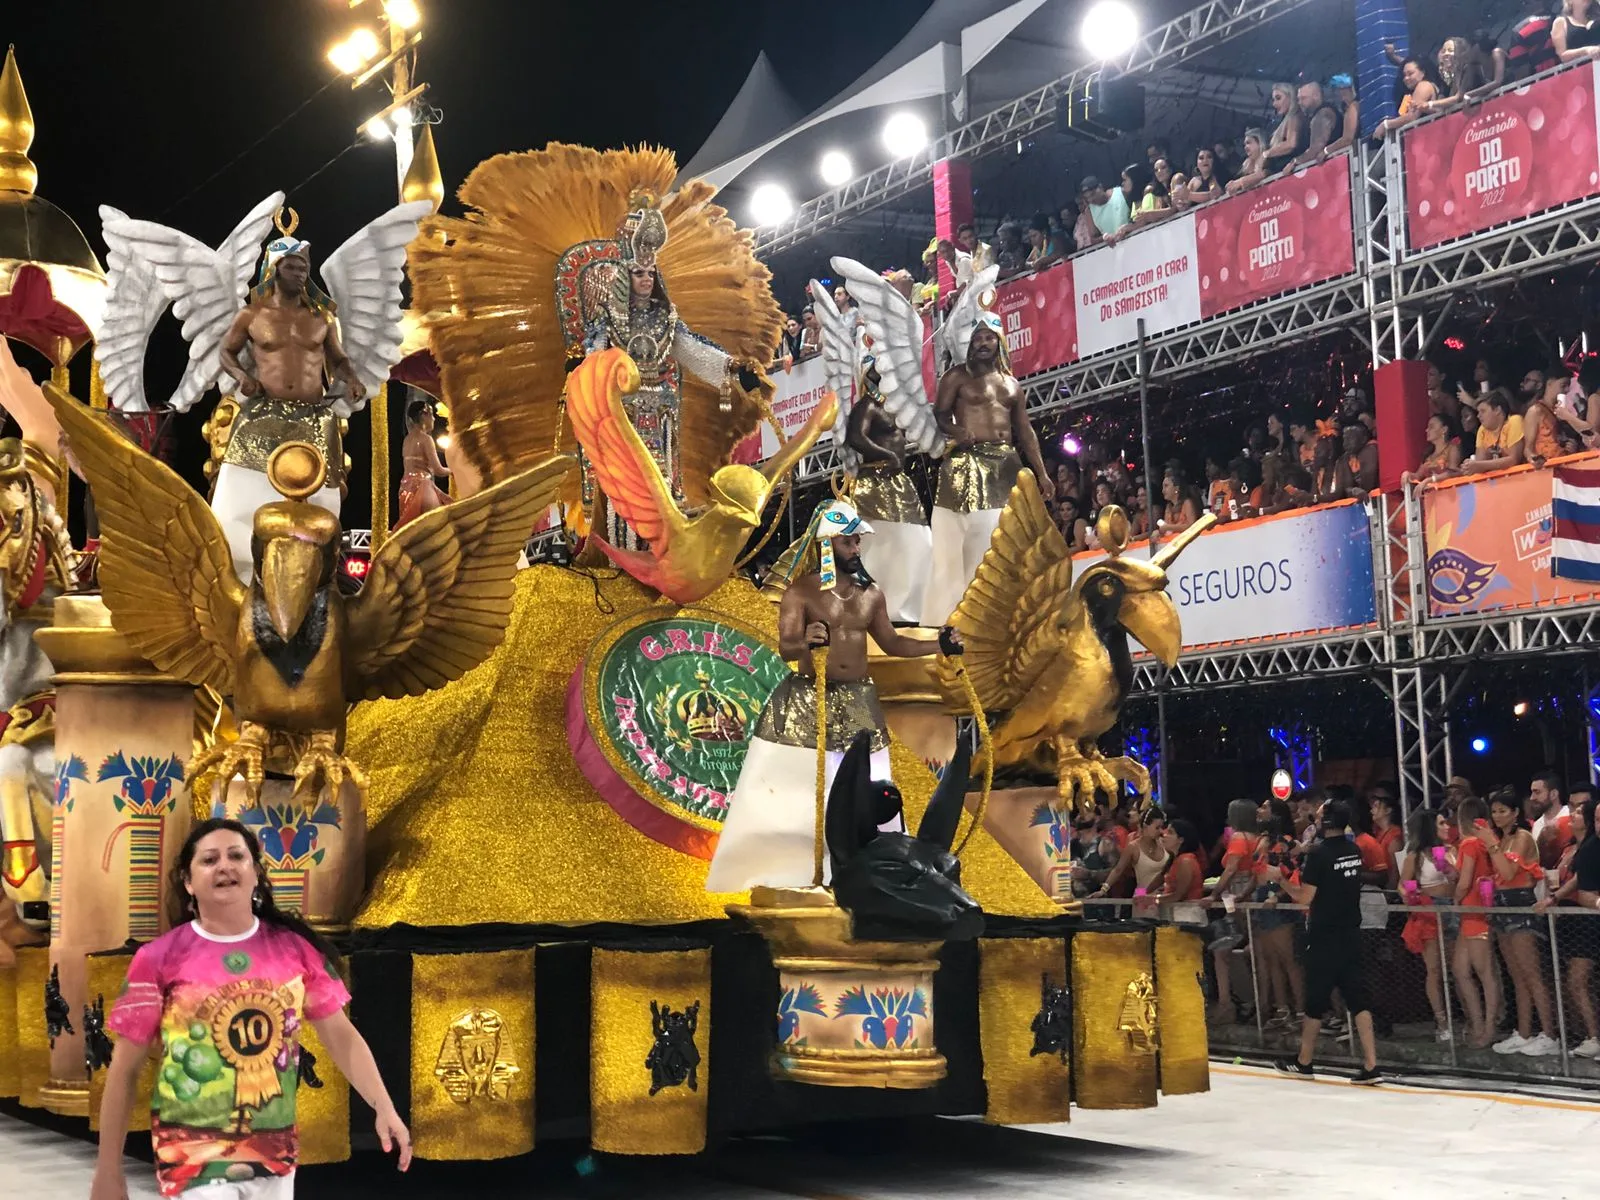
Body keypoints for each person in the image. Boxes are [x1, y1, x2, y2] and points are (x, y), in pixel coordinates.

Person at [94, 819, 411, 1199]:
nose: (224, 866)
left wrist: (384, 1107)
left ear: (256, 873)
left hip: (274, 1156)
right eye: (209, 860)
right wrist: (108, 1171)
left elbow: (342, 1037)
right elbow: (124, 1071)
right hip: (191, 1159)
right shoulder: (158, 959)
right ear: (189, 882)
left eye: (236, 856)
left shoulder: (294, 950)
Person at [707, 503, 956, 891]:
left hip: (859, 699)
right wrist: (804, 640)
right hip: (809, 697)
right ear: (827, 544)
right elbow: (786, 648)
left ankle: (879, 865)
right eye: (848, 540)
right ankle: (795, 867)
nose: (856, 547)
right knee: (801, 785)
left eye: (858, 540)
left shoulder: (871, 594)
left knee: (872, 783)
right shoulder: (801, 592)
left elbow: (891, 643)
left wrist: (938, 644)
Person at [921, 315, 1053, 627]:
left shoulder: (1011, 384)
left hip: (1006, 463)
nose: (983, 343)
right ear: (969, 343)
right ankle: (968, 610)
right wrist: (955, 430)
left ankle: (1008, 607)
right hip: (969, 462)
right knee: (977, 535)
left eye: (989, 338)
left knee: (1011, 534)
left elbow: (1026, 431)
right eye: (978, 338)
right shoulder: (956, 377)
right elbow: (938, 415)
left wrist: (1042, 473)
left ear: (999, 342)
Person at [1269, 801, 1382, 1083]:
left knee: (1315, 999)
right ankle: (1371, 1064)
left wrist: (1280, 880)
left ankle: (1304, 1061)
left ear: (1326, 822)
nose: (1315, 820)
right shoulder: (1353, 850)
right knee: (1359, 998)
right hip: (1351, 931)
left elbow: (1305, 897)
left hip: (1324, 934)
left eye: (1319, 816)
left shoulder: (1320, 855)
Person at [1478, 787, 1560, 1056]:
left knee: (1532, 973)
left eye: (1503, 811)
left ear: (1515, 814)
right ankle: (1523, 1033)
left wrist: (1490, 843)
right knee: (1516, 976)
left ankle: (1549, 1034)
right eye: (1494, 811)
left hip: (1520, 904)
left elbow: (1510, 870)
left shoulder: (1523, 837)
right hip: (1501, 905)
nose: (1497, 816)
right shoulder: (1500, 841)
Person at [1536, 794, 1600, 1057]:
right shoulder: (1587, 847)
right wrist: (1555, 897)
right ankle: (1592, 1035)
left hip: (1586, 921)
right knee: (1575, 981)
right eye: (1597, 819)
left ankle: (1593, 1035)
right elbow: (1581, 885)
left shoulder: (1589, 847)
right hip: (1584, 921)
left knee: (1578, 981)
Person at [1400, 807, 1458, 1042]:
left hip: (1455, 908)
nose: (1447, 827)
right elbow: (1403, 884)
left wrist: (1448, 869)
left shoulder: (1452, 850)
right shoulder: (1415, 855)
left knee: (1459, 969)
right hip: (1429, 909)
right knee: (1434, 970)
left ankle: (1464, 1018)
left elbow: (1460, 879)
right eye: (1441, 823)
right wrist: (1409, 895)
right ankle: (1442, 1022)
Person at [1205, 799, 1262, 1026]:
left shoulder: (1239, 838)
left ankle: (1232, 1002)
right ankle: (1243, 1001)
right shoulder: (1258, 839)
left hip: (1237, 893)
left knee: (1225, 949)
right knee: (1241, 948)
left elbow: (1230, 869)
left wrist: (1214, 894)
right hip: (1248, 892)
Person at [1451, 796, 1503, 1048]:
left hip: (1474, 913)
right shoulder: (1482, 843)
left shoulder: (1470, 843)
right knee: (1461, 970)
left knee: (1484, 973)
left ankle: (1488, 1026)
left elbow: (1465, 880)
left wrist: (1455, 898)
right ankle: (1478, 1022)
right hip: (1472, 914)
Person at [1253, 798, 1307, 1029]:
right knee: (1272, 959)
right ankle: (1283, 1009)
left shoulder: (1285, 843)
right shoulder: (1263, 841)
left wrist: (1277, 896)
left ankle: (1302, 1011)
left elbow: (1293, 875)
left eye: (1265, 807)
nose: (1259, 810)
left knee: (1289, 960)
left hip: (1279, 901)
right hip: (1263, 899)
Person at [1092, 805, 1172, 900]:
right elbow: (1118, 870)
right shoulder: (1133, 847)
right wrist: (1103, 890)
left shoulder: (1164, 844)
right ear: (1146, 826)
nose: (1161, 831)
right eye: (1157, 827)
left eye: (1162, 827)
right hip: (1142, 897)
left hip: (1165, 898)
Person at [396, 399, 452, 529]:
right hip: (422, 488)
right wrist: (453, 470)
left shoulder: (407, 439)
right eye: (431, 414)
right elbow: (438, 470)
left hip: (405, 489)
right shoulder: (426, 439)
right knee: (434, 530)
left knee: (410, 532)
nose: (433, 419)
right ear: (423, 415)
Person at [1373, 57, 1439, 138]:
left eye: (1410, 73)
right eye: (1404, 75)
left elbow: (1412, 116)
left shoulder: (1424, 85)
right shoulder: (1415, 90)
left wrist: (1386, 124)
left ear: (1422, 72)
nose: (1406, 78)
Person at [1463, 389, 1526, 472]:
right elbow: (1480, 463)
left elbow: (1513, 460)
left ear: (1497, 410)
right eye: (1478, 412)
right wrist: (1470, 465)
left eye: (1483, 411)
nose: (1478, 416)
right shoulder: (1482, 430)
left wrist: (1477, 465)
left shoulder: (1514, 421)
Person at [1290, 81, 1340, 169]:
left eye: (1303, 98)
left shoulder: (1323, 114)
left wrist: (1295, 162)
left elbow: (1316, 149)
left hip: (1333, 167)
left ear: (1316, 96)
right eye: (1298, 99)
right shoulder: (1317, 115)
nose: (1300, 103)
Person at [1262, 83, 1304, 173]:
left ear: (1291, 97)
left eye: (1278, 98)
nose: (1274, 104)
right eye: (1273, 100)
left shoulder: (1294, 117)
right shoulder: (1288, 119)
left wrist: (1266, 154)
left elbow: (1291, 144)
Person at [1413, 412, 1463, 481]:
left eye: (1431, 427)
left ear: (1444, 430)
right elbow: (1416, 476)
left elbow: (1454, 473)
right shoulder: (1428, 455)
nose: (1427, 430)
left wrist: (1434, 473)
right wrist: (1407, 474)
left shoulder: (1452, 448)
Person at [1334, 422, 1379, 498]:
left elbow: (1368, 486)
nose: (1345, 444)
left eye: (1350, 438)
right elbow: (1340, 491)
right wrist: (1352, 491)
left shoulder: (1372, 450)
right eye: (1345, 439)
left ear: (1363, 439)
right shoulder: (1343, 459)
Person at [1081, 174, 1131, 240]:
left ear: (1100, 187)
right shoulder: (1089, 211)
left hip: (1133, 237)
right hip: (1112, 247)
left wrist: (1128, 228)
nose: (1091, 199)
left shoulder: (1121, 193)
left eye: (1092, 194)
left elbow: (1138, 217)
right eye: (1087, 198)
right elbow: (1093, 238)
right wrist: (1106, 238)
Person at [1159, 465, 1204, 533]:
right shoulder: (1169, 507)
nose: (1163, 490)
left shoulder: (1187, 503)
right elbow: (1165, 530)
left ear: (1177, 488)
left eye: (1166, 486)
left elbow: (1192, 526)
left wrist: (1168, 527)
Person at [1226, 128, 1269, 195]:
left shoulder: (1270, 159)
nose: (1245, 148)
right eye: (1244, 145)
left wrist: (1240, 182)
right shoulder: (1245, 167)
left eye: (1248, 143)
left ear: (1260, 143)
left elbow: (1266, 173)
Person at [1326, 74, 1360, 156]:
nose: (1343, 99)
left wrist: (1326, 151)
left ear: (1352, 89)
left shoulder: (1354, 106)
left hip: (1360, 155)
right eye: (1340, 95)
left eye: (1344, 94)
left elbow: (1347, 139)